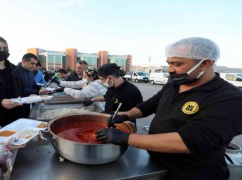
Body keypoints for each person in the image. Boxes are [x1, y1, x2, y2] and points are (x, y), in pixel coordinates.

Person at [96, 37, 242, 179]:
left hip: (192, 173)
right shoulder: (175, 83)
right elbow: (149, 105)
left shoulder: (229, 99)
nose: (170, 69)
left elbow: (188, 142)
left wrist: (126, 138)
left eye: (177, 64)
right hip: (157, 163)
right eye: (169, 63)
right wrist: (126, 115)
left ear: (206, 64)